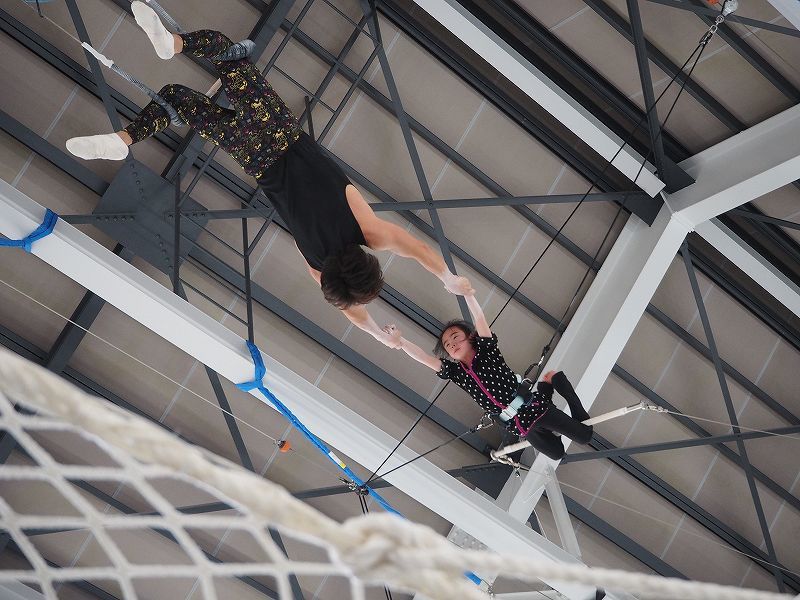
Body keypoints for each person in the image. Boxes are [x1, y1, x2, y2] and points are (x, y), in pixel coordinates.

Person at [66, 2, 471, 348]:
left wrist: (447, 277)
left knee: (228, 54)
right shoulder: (316, 262)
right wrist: (377, 335)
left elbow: (413, 248)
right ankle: (124, 138)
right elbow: (350, 312)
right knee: (178, 100)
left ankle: (174, 44)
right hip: (253, 159)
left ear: (368, 260)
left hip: (278, 130)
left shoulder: (367, 230)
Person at [383, 293, 593, 460]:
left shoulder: (486, 351)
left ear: (470, 337)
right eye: (447, 345)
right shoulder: (458, 374)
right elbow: (424, 358)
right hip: (519, 424)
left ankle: (557, 381)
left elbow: (480, 319)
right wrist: (401, 342)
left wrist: (467, 295)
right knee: (557, 454)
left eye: (455, 338)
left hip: (532, 407)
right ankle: (546, 387)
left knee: (585, 436)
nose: (452, 344)